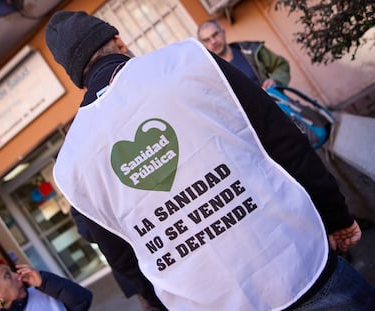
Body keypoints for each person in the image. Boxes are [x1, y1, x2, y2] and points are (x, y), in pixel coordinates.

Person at [45, 10, 375, 310]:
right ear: (118, 40)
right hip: (296, 261)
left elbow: (122, 256)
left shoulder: (71, 162)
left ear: (77, 77)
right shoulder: (188, 59)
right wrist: (335, 216)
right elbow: (281, 139)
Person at [71, 207, 167, 311]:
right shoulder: (79, 205)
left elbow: (87, 233)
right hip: (135, 259)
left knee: (154, 301)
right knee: (152, 301)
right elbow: (87, 233)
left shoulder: (80, 204)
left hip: (139, 258)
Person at [0, 256, 92, 311]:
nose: (16, 275)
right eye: (7, 275)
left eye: (11, 271)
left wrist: (44, 281)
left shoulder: (43, 290)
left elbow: (83, 300)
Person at [197, 19, 290, 89]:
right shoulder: (210, 74)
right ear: (203, 45)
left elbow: (281, 65)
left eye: (215, 34)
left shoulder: (250, 50)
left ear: (223, 32)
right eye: (207, 40)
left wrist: (275, 80)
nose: (213, 41)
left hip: (277, 108)